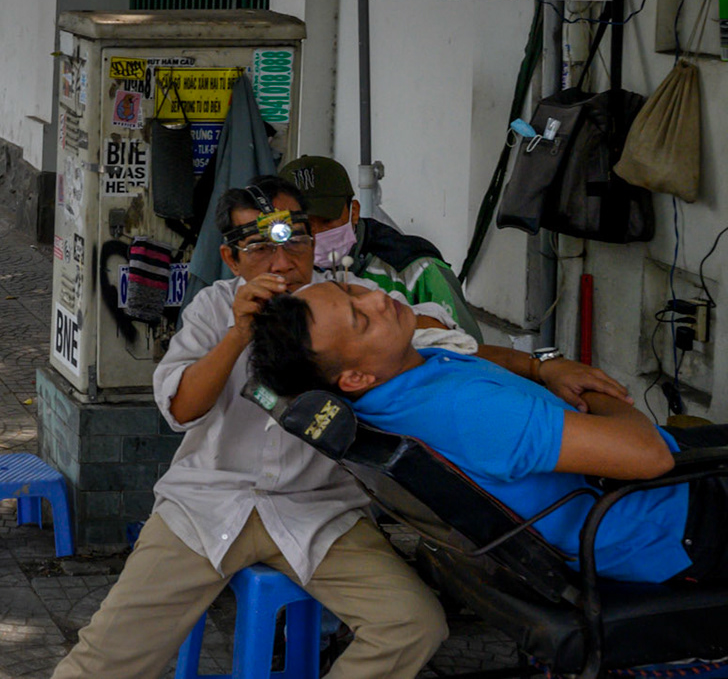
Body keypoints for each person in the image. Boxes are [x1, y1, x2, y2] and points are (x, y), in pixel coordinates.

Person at [47, 177, 453, 679]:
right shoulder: (213, 309)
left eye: (295, 242)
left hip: (320, 509)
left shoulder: (354, 301)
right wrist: (239, 333)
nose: (282, 263)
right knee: (106, 658)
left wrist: (540, 369)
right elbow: (182, 408)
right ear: (232, 259)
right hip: (207, 502)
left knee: (413, 623)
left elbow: (441, 331)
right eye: (260, 248)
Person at [251, 280, 723, 584]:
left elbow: (472, 357)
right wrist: (597, 392)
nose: (376, 299)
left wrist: (546, 368)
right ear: (353, 378)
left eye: (350, 290)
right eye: (361, 318)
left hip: (637, 503)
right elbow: (649, 457)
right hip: (669, 523)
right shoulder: (464, 410)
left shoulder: (393, 386)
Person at [278, 156, 481, 341]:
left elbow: (470, 349)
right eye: (301, 226)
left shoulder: (415, 268)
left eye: (326, 221)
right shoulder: (278, 271)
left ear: (354, 212)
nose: (314, 234)